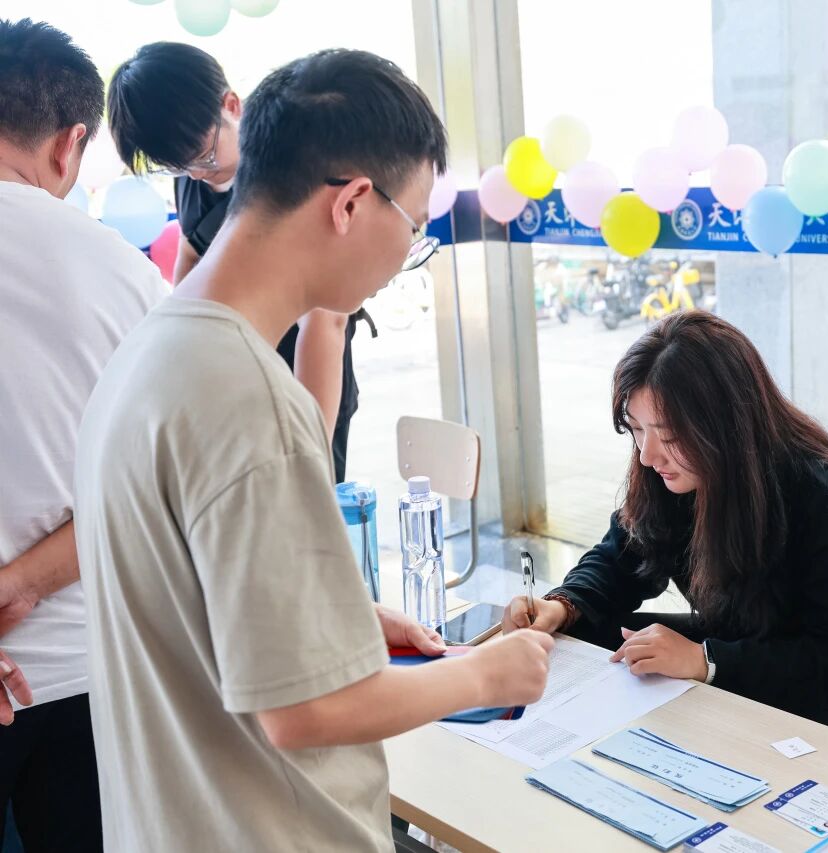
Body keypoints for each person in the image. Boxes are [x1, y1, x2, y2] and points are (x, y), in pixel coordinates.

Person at [75, 49, 552, 852]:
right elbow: (304, 711)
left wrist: (340, 618)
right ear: (353, 202)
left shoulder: (150, 353)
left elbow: (185, 601)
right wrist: (485, 673)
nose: (405, 258)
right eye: (414, 227)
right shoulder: (250, 398)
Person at [503, 310, 828, 752]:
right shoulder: (674, 475)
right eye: (636, 430)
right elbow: (622, 558)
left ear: (726, 425)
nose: (648, 455)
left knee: (691, 712)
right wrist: (563, 605)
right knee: (591, 636)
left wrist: (705, 660)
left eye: (668, 435)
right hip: (744, 644)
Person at [0, 18, 169, 851]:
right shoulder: (128, 274)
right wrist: (23, 584)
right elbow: (154, 488)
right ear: (70, 144)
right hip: (88, 672)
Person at [107, 42, 364, 480]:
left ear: (231, 106)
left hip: (303, 376)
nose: (196, 173)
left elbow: (325, 323)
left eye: (204, 155)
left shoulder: (294, 171)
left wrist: (311, 457)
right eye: (177, 166)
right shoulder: (193, 177)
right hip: (233, 385)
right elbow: (191, 252)